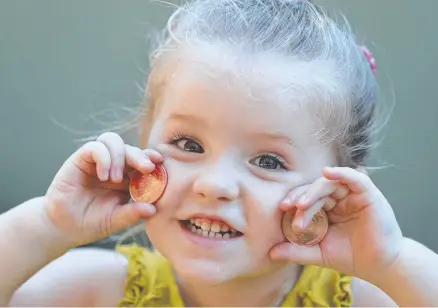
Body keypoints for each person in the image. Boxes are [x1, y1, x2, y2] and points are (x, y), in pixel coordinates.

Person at [1, 0, 437, 306]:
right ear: (144, 142)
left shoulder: (369, 298)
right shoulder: (95, 291)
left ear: (336, 189)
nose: (214, 185)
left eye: (268, 161)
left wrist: (393, 262)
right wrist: (46, 225)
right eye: (188, 145)